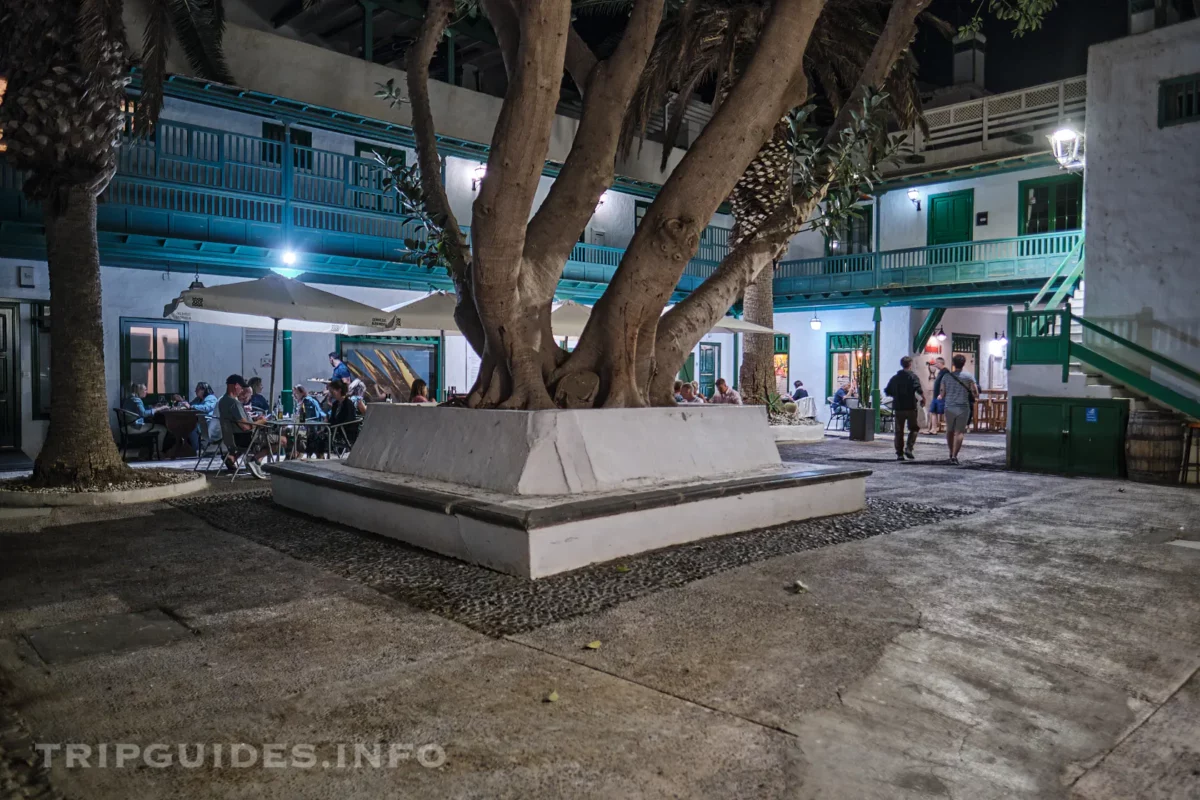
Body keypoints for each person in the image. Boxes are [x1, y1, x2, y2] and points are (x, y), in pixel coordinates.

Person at [217, 374, 268, 478]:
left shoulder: (223, 401)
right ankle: (254, 461)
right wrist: (261, 421)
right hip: (246, 439)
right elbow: (246, 427)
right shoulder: (234, 403)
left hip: (232, 438)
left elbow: (241, 422)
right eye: (241, 387)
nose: (242, 390)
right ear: (236, 386)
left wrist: (253, 420)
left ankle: (242, 459)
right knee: (282, 440)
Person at [938, 353, 978, 465]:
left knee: (949, 431)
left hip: (949, 407)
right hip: (963, 407)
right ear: (964, 364)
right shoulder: (969, 377)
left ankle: (950, 452)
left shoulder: (946, 377)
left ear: (953, 364)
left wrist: (944, 395)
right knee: (959, 432)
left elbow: (942, 393)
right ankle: (955, 456)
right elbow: (975, 392)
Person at [885, 356, 925, 461]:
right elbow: (918, 389)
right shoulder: (913, 376)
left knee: (899, 431)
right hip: (910, 406)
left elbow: (887, 391)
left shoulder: (895, 378)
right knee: (914, 428)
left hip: (898, 407)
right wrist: (923, 399)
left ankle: (899, 453)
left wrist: (896, 394)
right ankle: (909, 448)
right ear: (910, 364)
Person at [121, 383, 169, 456]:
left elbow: (140, 410)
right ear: (139, 391)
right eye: (145, 390)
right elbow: (143, 414)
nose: (146, 392)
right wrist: (160, 408)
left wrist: (153, 407)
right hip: (134, 427)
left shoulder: (130, 398)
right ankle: (157, 453)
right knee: (162, 429)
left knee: (155, 426)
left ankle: (150, 451)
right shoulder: (136, 400)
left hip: (127, 426)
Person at [188, 382, 220, 453]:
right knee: (187, 427)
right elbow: (189, 405)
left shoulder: (211, 398)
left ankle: (197, 449)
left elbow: (206, 408)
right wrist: (182, 401)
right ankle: (196, 449)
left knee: (191, 428)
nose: (195, 391)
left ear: (203, 390)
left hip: (208, 424)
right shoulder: (198, 399)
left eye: (197, 389)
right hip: (200, 422)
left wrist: (191, 407)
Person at [924, 357, 948, 434]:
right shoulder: (940, 372)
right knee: (932, 411)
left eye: (937, 363)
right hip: (936, 395)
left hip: (941, 396)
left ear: (941, 363)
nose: (935, 365)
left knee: (944, 412)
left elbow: (946, 384)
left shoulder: (946, 372)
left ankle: (949, 429)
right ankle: (934, 429)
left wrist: (942, 394)